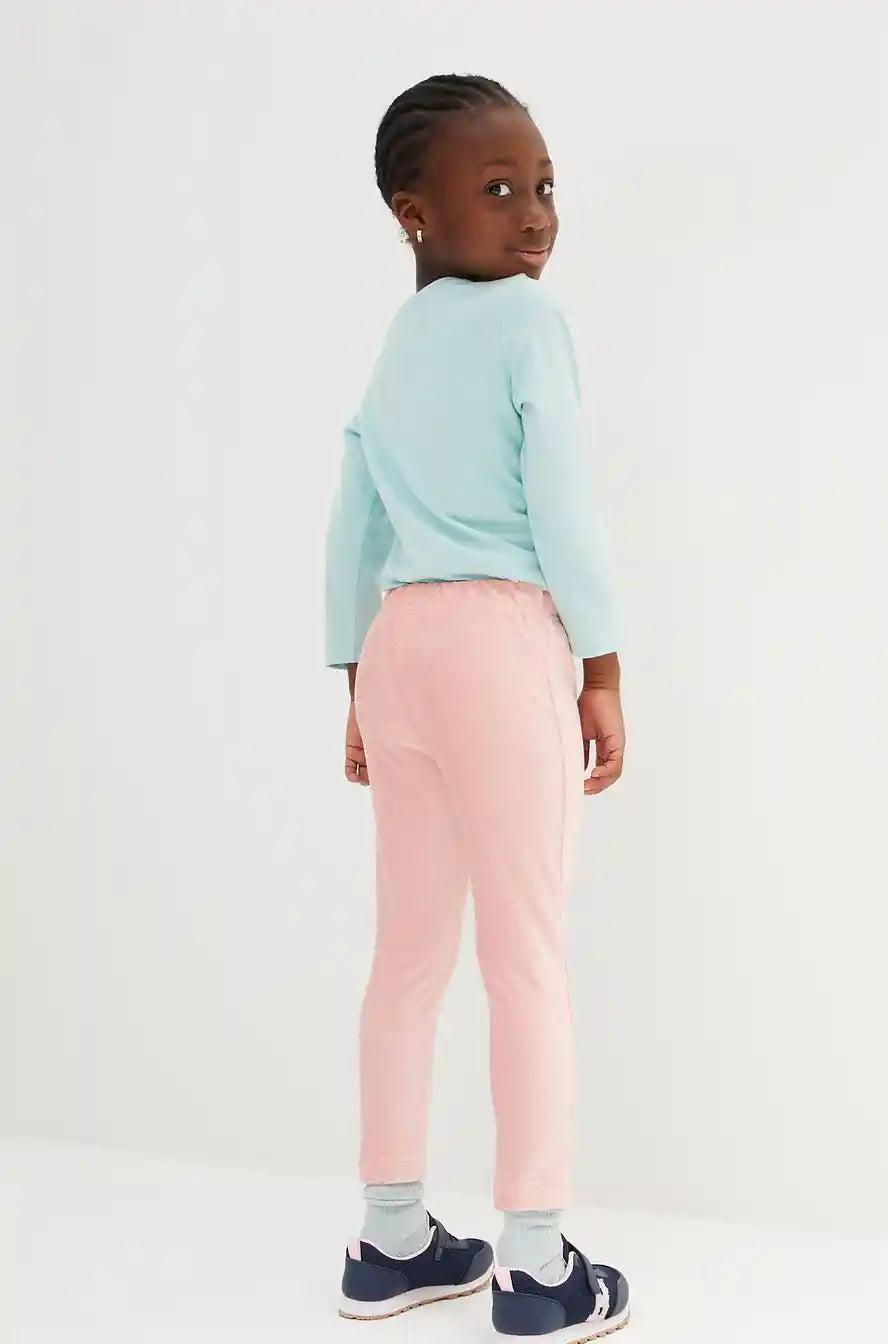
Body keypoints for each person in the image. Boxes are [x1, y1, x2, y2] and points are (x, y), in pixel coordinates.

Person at [325, 73, 630, 1341]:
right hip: (502, 643)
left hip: (400, 646)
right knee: (526, 957)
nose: (535, 214)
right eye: (498, 189)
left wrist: (354, 678)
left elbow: (355, 515)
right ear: (413, 211)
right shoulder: (526, 320)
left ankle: (391, 1237)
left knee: (406, 957)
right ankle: (537, 1266)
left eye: (544, 185)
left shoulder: (398, 346)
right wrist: (601, 664)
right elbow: (562, 496)